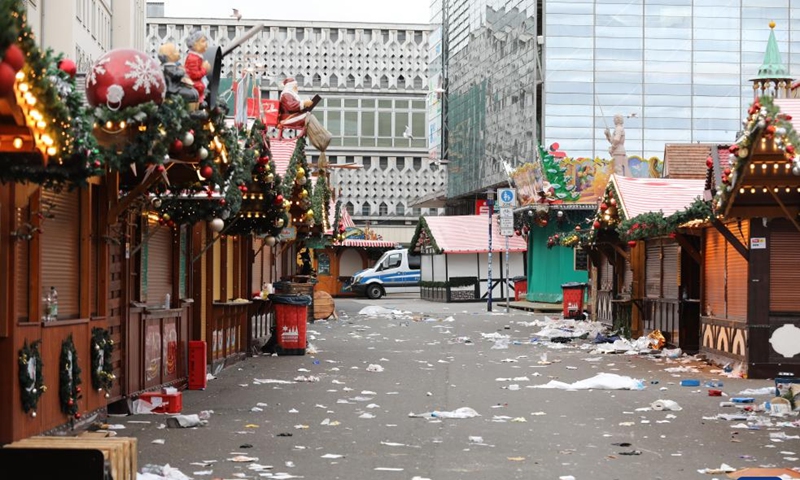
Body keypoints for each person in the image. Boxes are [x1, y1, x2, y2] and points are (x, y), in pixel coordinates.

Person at [184, 30, 211, 104]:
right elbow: (194, 75)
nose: (206, 44)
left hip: (198, 88)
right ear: (194, 44)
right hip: (194, 89)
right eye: (203, 41)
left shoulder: (197, 57)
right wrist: (204, 69)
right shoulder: (193, 58)